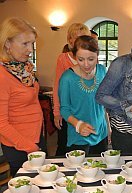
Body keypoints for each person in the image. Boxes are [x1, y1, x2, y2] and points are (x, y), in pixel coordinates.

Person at [0, 17, 46, 176]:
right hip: (19, 145)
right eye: (25, 44)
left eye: (32, 43)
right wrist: (29, 146)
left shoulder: (24, 68)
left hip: (36, 136)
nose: (31, 49)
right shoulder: (2, 75)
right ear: (7, 43)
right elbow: (2, 124)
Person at [59, 35, 109, 154]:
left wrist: (108, 127)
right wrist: (79, 125)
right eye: (81, 59)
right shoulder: (67, 78)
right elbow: (64, 110)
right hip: (78, 137)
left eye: (91, 59)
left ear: (97, 55)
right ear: (74, 56)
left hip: (101, 133)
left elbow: (104, 104)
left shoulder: (102, 71)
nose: (86, 64)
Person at [53, 23, 90, 156]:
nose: (81, 42)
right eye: (77, 38)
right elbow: (57, 86)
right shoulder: (63, 59)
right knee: (65, 148)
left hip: (85, 112)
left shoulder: (91, 59)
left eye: (84, 38)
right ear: (70, 40)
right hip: (68, 112)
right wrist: (57, 111)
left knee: (87, 149)